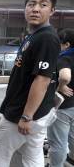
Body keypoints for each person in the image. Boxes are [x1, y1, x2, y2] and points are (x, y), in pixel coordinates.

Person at [0, 0, 60, 166]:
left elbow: (42, 80)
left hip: (22, 114)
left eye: (43, 5)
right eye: (31, 4)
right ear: (25, 8)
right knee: (32, 154)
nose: (35, 9)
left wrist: (26, 117)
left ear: (52, 11)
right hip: (36, 112)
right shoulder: (34, 35)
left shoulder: (47, 39)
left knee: (0, 156)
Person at [47, 29, 74, 167]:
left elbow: (65, 76)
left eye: (59, 43)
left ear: (67, 44)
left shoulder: (64, 57)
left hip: (64, 106)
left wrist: (61, 86)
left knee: (58, 142)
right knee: (72, 137)